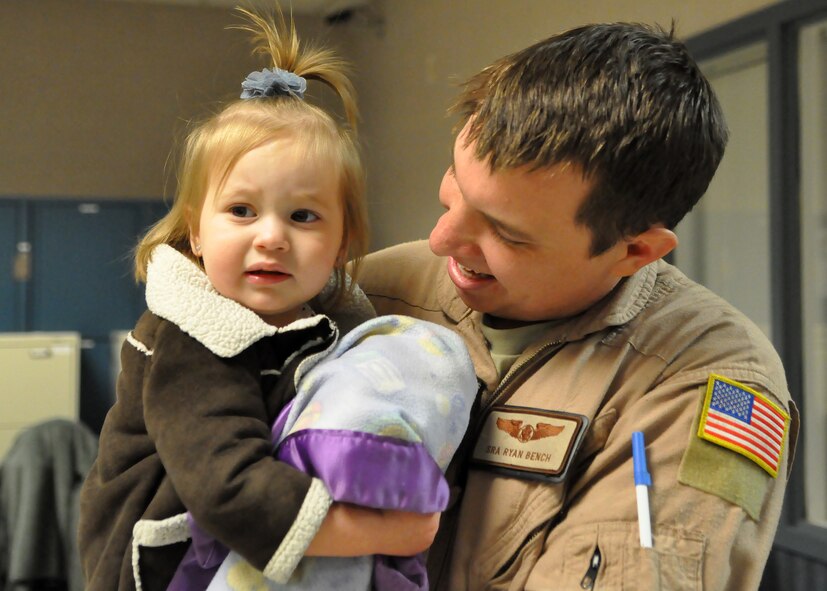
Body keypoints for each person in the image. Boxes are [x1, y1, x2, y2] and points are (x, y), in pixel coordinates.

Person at [357, 22, 800, 590]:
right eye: (457, 184)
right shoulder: (378, 289)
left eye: (507, 234)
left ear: (634, 251)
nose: (442, 238)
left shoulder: (709, 380)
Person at [77, 7, 476, 591]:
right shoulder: (192, 335)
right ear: (195, 229)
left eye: (303, 216)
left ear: (342, 242)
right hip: (157, 566)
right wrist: (389, 532)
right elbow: (227, 488)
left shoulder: (328, 325)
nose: (270, 236)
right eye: (241, 210)